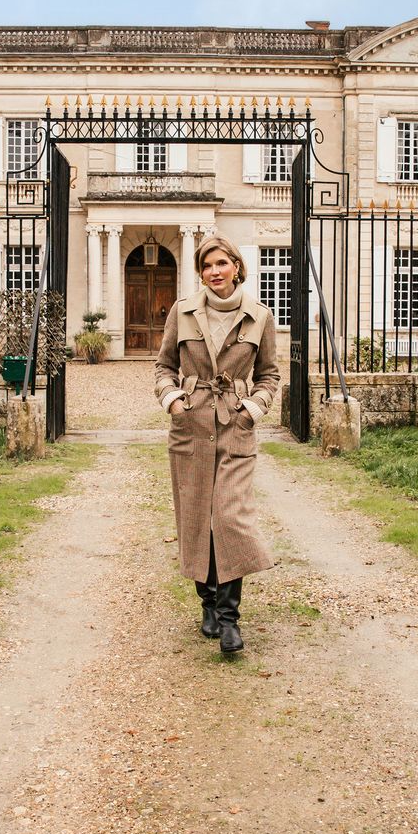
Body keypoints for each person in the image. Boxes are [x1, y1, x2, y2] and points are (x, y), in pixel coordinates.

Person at [154, 235, 280, 654]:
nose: (215, 271)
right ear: (201, 271)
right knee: (196, 516)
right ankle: (207, 604)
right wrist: (173, 401)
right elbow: (164, 366)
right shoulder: (183, 311)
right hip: (190, 426)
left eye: (222, 263)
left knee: (228, 516)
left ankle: (229, 620)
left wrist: (253, 410)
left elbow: (270, 375)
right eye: (207, 265)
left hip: (235, 427)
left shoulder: (259, 317)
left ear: (237, 267)